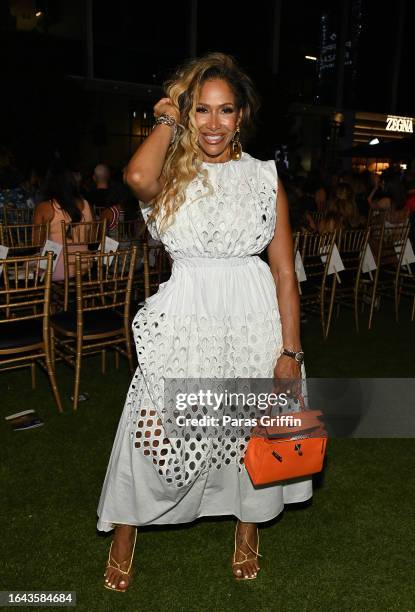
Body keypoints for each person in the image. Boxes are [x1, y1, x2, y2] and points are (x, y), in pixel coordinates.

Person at [98, 52, 312, 590]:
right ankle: (126, 528)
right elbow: (136, 175)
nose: (213, 123)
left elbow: (285, 272)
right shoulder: (171, 171)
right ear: (188, 115)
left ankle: (247, 527)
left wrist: (290, 353)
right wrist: (167, 115)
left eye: (225, 111)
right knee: (150, 428)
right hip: (187, 315)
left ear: (241, 116)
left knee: (248, 432)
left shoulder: (264, 177)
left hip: (252, 316)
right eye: (202, 111)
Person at [33, 161, 93, 281]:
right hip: (84, 265)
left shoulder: (45, 207)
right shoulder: (85, 204)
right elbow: (90, 237)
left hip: (56, 268)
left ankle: (49, 297)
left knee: (25, 264)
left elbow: (36, 242)